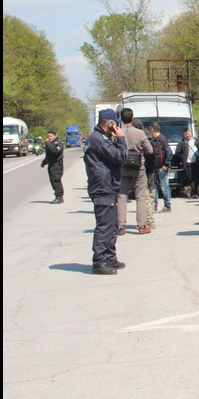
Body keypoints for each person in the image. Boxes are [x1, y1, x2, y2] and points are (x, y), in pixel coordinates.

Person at [85, 108, 128, 275]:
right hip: (103, 187)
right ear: (110, 124)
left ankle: (110, 257)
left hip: (107, 186)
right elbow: (119, 156)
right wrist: (121, 139)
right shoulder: (99, 139)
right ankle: (100, 261)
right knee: (105, 226)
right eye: (115, 124)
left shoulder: (102, 138)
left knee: (112, 224)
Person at [117, 108, 155, 235]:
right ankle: (141, 225)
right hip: (138, 166)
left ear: (121, 118)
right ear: (132, 118)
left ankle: (121, 225)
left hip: (122, 166)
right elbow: (149, 150)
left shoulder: (117, 132)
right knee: (140, 195)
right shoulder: (139, 133)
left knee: (122, 195)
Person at [149, 123, 173, 213]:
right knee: (154, 187)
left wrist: (166, 165)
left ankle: (167, 206)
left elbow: (169, 152)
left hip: (162, 168)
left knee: (164, 187)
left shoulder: (162, 139)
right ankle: (154, 207)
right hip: (155, 166)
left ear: (152, 129)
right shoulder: (155, 139)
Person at [173, 127, 199, 198]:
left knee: (196, 177)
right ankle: (192, 192)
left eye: (188, 133)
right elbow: (177, 154)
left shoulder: (196, 141)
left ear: (190, 133)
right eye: (185, 134)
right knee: (189, 178)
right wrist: (183, 156)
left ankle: (196, 192)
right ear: (183, 135)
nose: (187, 135)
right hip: (187, 163)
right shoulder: (182, 143)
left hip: (196, 162)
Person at [42, 130, 65, 204]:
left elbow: (55, 151)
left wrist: (48, 143)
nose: (49, 138)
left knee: (56, 180)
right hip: (51, 165)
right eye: (48, 136)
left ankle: (59, 197)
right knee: (53, 181)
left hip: (57, 165)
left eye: (51, 136)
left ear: (55, 136)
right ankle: (57, 196)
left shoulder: (57, 143)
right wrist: (44, 162)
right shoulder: (50, 144)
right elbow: (48, 156)